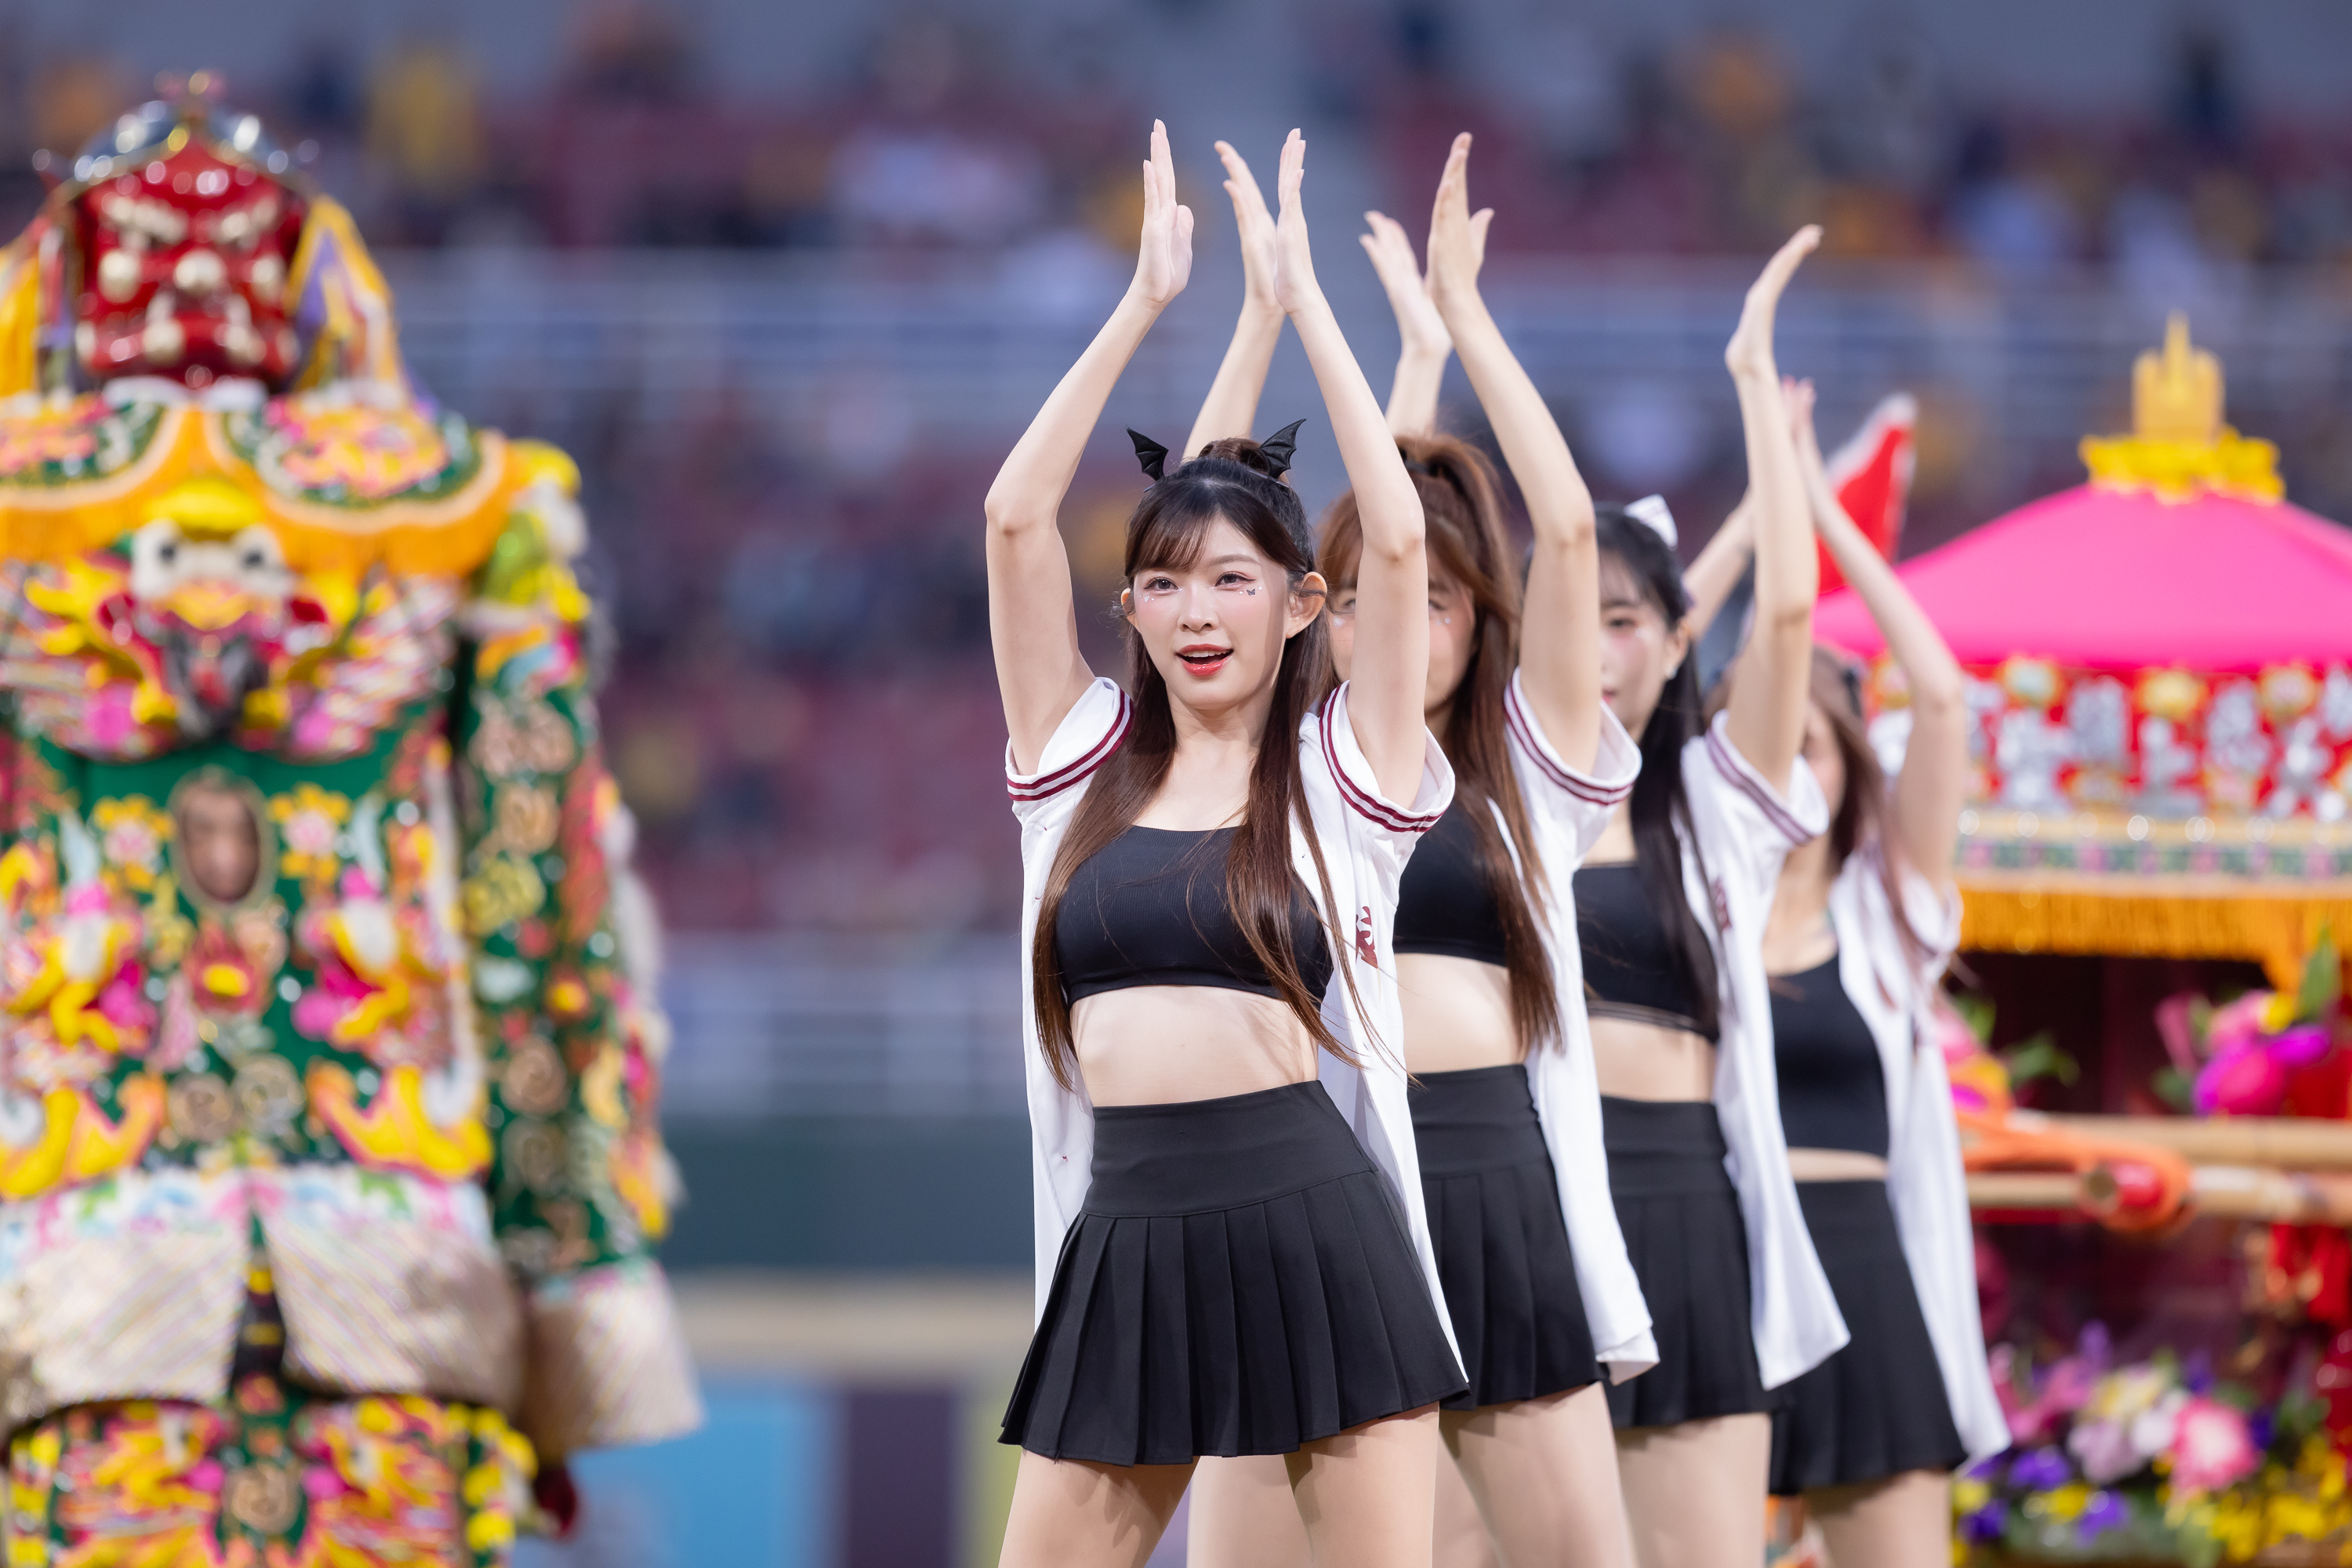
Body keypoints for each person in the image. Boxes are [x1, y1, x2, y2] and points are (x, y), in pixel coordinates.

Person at [0, 86, 697, 1565]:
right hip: (397, 1274)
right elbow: (540, 932)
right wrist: (566, 1320)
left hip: (72, 1282)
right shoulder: (473, 506)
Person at [988, 123, 1465, 1568]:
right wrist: (1144, 302)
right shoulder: (1073, 768)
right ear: (1128, 610)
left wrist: (1306, 301)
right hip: (1126, 1231)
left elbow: (1399, 536)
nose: (1196, 612)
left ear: (1302, 605)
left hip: (1313, 1220)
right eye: (1162, 584)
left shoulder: (1340, 776)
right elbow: (1014, 518)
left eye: (1232, 583)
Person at [1183, 135, 1644, 1568]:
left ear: (1480, 621)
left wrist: (1463, 324)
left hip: (1495, 1168)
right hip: (1319, 1171)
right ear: (1321, 613)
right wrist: (1276, 317)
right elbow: (1209, 515)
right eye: (1387, 598)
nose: (1411, 622)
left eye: (1446, 604)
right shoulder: (1282, 766)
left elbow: (1563, 531)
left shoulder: (1528, 776)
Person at [1686, 381, 2006, 1567]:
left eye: (1807, 746)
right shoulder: (1690, 904)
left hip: (1868, 1270)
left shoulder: (1889, 914)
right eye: (1755, 751)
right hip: (1724, 1271)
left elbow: (1943, 694)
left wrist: (1823, 511)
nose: (1783, 774)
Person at [1575, 223, 1846, 1568]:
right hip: (1526, 1203)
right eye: (1574, 616)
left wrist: (1753, 381)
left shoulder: (1717, 810)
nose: (1599, 648)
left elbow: (1785, 621)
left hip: (1681, 1200)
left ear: (1677, 639)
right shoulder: (1491, 805)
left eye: (1628, 621)